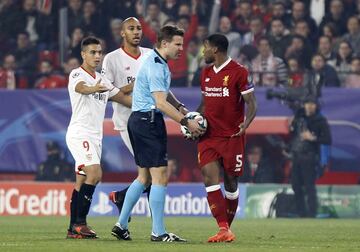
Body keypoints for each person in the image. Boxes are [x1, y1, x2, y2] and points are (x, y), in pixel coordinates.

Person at [111, 25, 204, 242]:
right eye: (178, 44)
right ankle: (158, 232)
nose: (182, 48)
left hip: (139, 120)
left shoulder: (157, 62)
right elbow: (160, 103)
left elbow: (163, 91)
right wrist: (186, 122)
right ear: (164, 43)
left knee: (143, 177)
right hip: (148, 121)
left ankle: (121, 224)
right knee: (160, 176)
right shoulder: (155, 65)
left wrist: (180, 106)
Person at [65, 36, 131, 239]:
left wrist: (141, 85)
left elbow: (120, 95)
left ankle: (72, 228)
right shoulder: (77, 74)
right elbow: (81, 88)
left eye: (99, 52)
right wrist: (94, 88)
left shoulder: (102, 80)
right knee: (95, 173)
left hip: (95, 137)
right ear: (83, 54)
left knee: (81, 180)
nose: (97, 56)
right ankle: (81, 224)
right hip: (79, 133)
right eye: (92, 52)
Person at [197, 34, 257, 242]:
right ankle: (223, 227)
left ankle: (225, 229)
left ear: (214, 49)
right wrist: (191, 121)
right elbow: (205, 104)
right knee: (209, 177)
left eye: (204, 47)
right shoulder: (205, 72)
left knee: (231, 182)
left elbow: (252, 103)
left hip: (232, 137)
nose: (202, 51)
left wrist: (246, 123)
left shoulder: (239, 72)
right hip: (209, 136)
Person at [289, 96, 331, 217]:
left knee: (309, 186)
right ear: (304, 105)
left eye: (312, 104)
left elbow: (328, 139)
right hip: (296, 155)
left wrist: (313, 138)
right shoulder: (299, 117)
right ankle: (301, 212)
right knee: (296, 185)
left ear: (316, 105)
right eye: (307, 103)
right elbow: (293, 133)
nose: (310, 106)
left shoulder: (320, 120)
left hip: (309, 156)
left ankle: (312, 213)